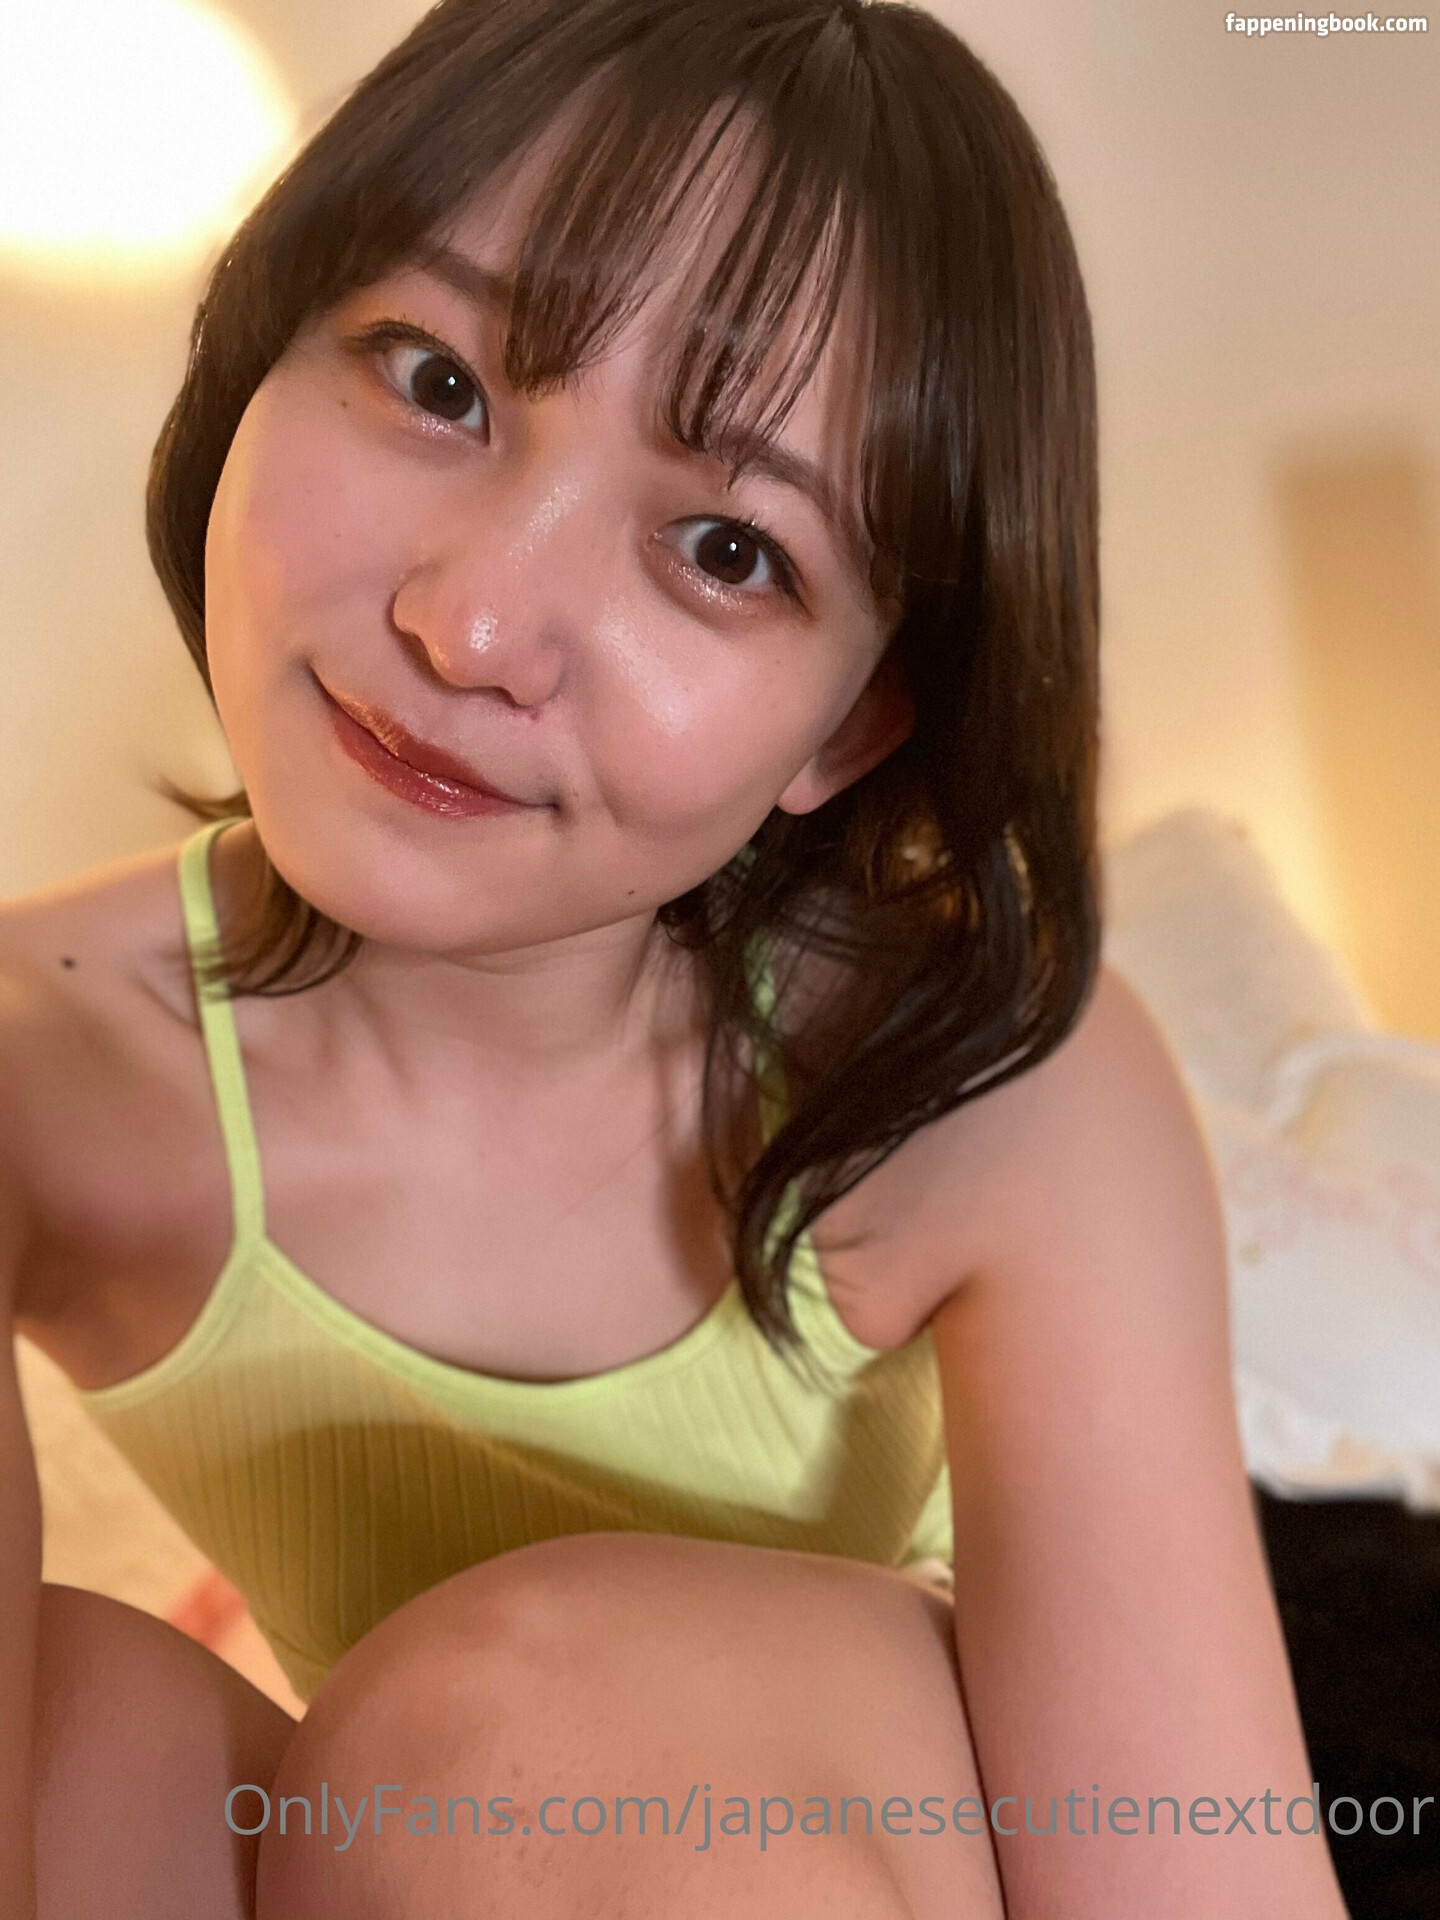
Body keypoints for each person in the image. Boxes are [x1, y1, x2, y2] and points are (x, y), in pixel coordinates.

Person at [0, 1, 1350, 1916]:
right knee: (87, 1736)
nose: (472, 628)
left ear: (851, 727)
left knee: (510, 1752)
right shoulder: (36, 1069)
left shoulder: (986, 1085)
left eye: (726, 550)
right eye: (437, 380)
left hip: (877, 1838)